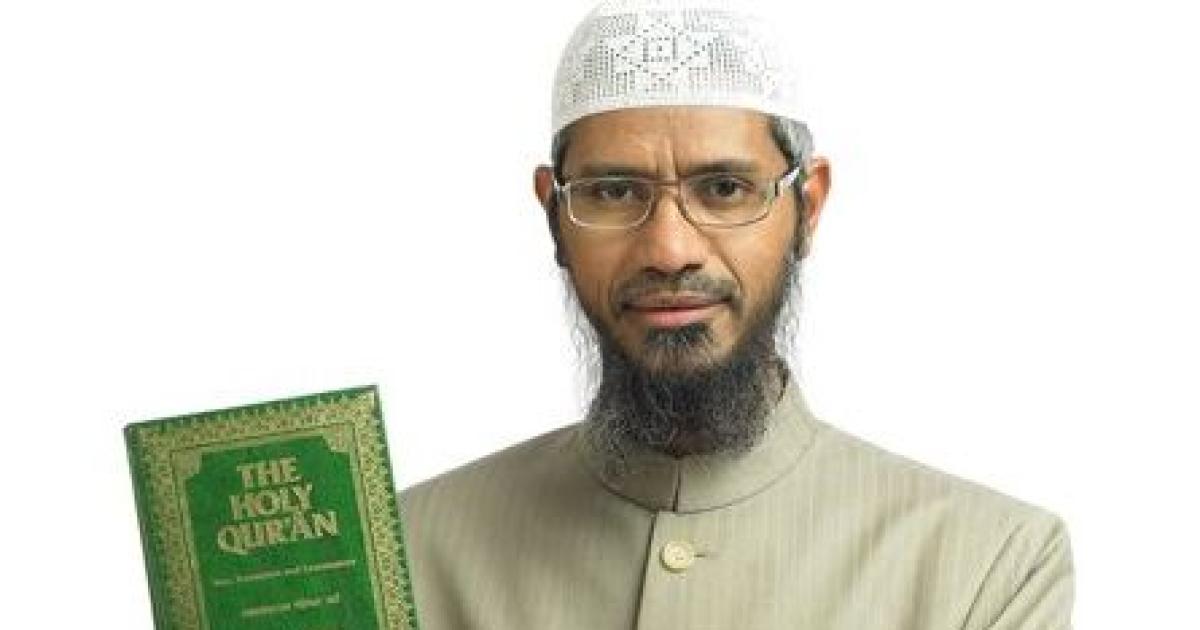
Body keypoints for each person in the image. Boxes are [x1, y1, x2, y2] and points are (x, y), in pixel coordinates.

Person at [399, 1, 1074, 628]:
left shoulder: (986, 565)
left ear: (808, 208)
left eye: (724, 189)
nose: (670, 250)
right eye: (614, 191)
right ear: (554, 215)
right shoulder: (403, 554)